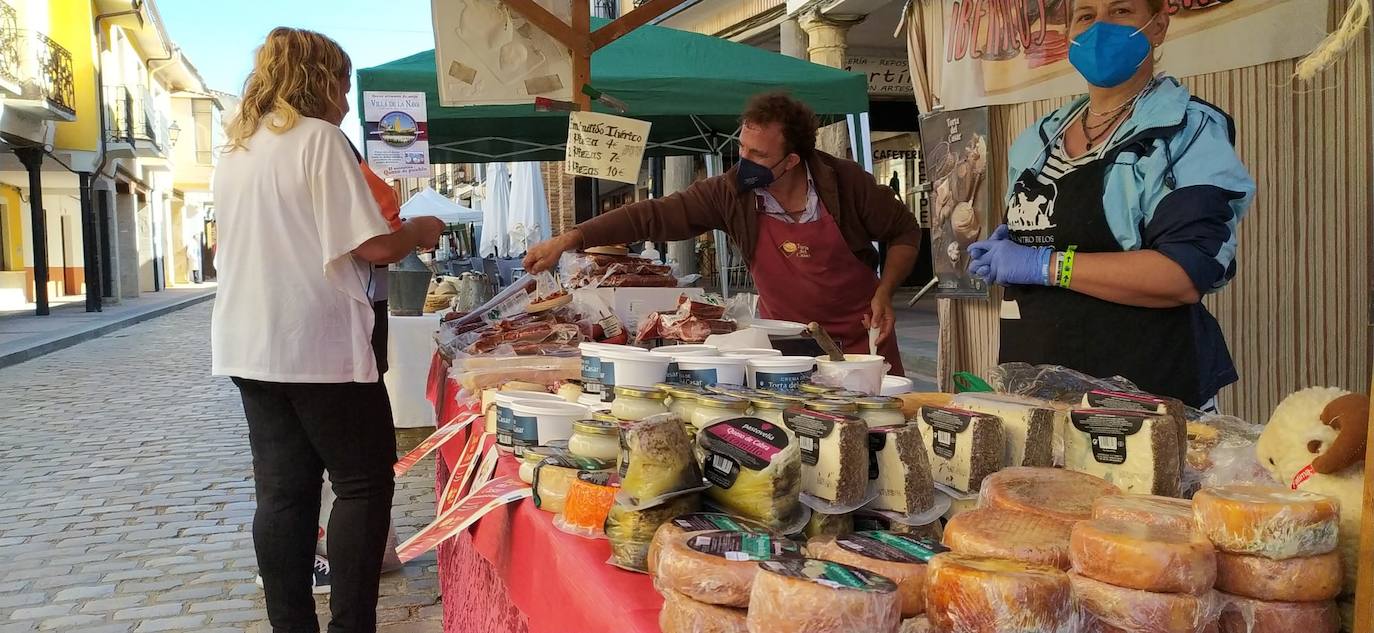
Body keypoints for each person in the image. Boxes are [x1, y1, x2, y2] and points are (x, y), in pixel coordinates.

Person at [211, 27, 444, 633]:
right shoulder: (319, 141)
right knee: (363, 485)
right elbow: (371, 245)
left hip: (250, 345)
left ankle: (291, 625)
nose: (345, 96)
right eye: (342, 80)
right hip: (317, 345)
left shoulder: (237, 150)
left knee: (283, 495)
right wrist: (417, 230)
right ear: (319, 79)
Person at [967, 0, 1254, 409]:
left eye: (1120, 11)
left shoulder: (1184, 131)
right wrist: (1007, 247)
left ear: (1157, 27)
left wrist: (1044, 264)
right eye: (1086, 16)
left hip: (1148, 388)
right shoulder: (1037, 141)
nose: (1100, 27)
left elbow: (1183, 274)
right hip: (1038, 385)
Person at [524, 92, 921, 374]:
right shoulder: (732, 192)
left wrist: (884, 292)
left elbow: (905, 232)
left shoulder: (847, 184)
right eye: (743, 148)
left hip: (861, 344)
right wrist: (571, 238)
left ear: (792, 161)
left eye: (758, 155)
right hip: (783, 351)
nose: (743, 161)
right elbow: (652, 214)